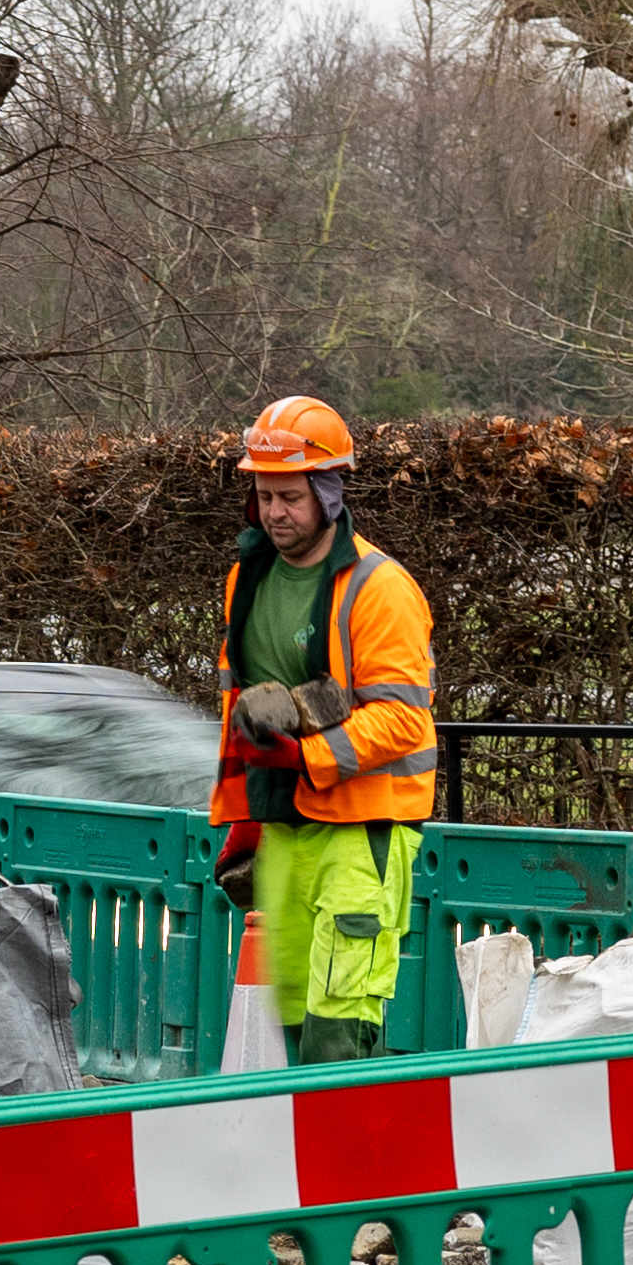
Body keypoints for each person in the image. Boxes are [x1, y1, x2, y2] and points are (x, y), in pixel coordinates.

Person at [209, 395, 435, 1061]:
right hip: (282, 827)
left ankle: (350, 1162)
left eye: (292, 496)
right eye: (265, 494)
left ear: (330, 494)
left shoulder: (379, 588)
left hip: (361, 831)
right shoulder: (244, 582)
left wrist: (304, 757)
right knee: (290, 1030)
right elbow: (238, 712)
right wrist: (242, 822)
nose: (276, 512)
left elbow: (401, 718)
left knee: (339, 1030)